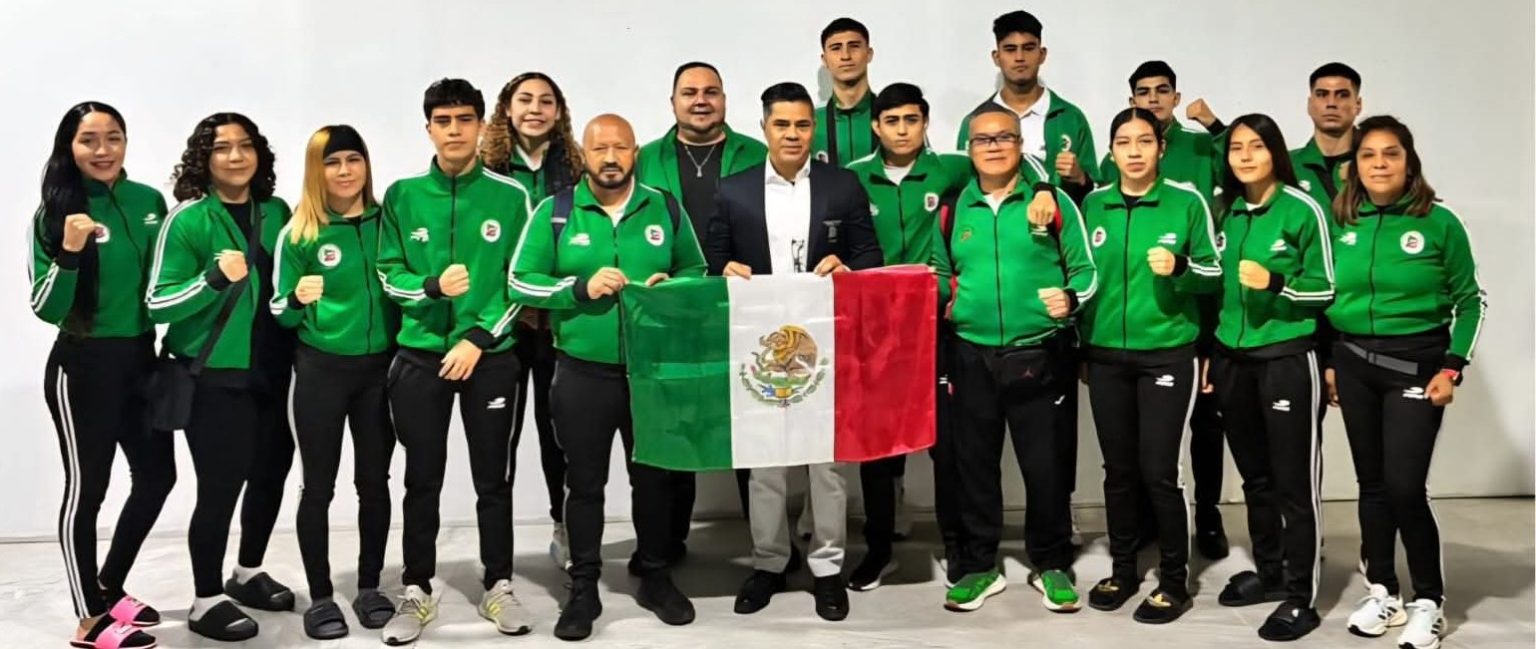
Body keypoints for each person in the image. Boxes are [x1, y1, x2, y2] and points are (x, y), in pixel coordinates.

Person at [509, 113, 707, 642]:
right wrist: (579, 287)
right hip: (582, 373)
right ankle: (583, 587)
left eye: (621, 147)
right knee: (584, 483)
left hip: (651, 372)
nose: (612, 158)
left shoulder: (664, 207)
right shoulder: (557, 212)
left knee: (654, 480)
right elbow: (519, 282)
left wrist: (672, 287)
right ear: (584, 154)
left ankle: (656, 575)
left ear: (635, 152)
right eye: (601, 149)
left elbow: (697, 271)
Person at [705, 81, 881, 622]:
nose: (792, 134)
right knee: (765, 464)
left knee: (827, 462)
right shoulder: (733, 190)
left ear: (813, 128)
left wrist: (847, 268)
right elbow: (712, 262)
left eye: (802, 124)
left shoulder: (841, 185)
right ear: (764, 128)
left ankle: (827, 568)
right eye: (781, 124)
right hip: (758, 345)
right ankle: (769, 562)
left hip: (825, 341)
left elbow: (869, 255)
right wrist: (724, 270)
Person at [376, 78, 532, 645]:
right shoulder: (401, 195)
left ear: (481, 126)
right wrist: (431, 288)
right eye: (443, 121)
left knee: (493, 477)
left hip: (488, 358)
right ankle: (416, 587)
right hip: (420, 357)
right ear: (429, 129)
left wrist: (478, 339)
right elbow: (388, 272)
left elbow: (521, 279)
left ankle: (499, 583)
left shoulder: (511, 197)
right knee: (422, 478)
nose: (454, 130)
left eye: (465, 119)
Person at [1328, 115, 1484, 649]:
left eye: (1390, 153)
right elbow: (1324, 294)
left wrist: (1452, 366)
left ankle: (1428, 602)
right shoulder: (1340, 220)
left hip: (1415, 368)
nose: (1379, 164)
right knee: (1371, 486)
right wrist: (1332, 361)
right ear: (1355, 165)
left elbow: (1471, 301)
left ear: (1409, 162)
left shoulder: (1439, 222)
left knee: (1403, 486)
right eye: (1368, 154)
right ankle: (1383, 592)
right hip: (1353, 364)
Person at [936, 105, 1096, 614]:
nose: (994, 147)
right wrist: (946, 301)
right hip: (970, 353)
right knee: (975, 466)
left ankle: (1052, 564)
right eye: (983, 140)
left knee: (1045, 466)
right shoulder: (954, 206)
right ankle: (980, 566)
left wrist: (1070, 299)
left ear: (1021, 144)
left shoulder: (1052, 202)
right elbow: (940, 271)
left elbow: (1085, 269)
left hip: (1039, 352)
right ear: (969, 149)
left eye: (1004, 137)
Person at [29, 101, 173, 649]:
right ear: (69, 147)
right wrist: (69, 252)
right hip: (83, 365)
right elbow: (45, 306)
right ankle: (90, 618)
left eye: (113, 137)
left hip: (141, 358)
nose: (103, 149)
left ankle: (109, 585)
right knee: (87, 489)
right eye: (89, 139)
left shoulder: (148, 202)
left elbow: (164, 280)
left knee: (158, 477)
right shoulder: (53, 213)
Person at [147, 112, 296, 641]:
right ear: (203, 159)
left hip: (273, 370)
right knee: (220, 486)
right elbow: (157, 303)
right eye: (222, 148)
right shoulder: (188, 220)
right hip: (213, 377)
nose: (235, 156)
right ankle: (205, 598)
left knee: (272, 472)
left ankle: (247, 572)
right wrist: (212, 278)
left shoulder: (277, 211)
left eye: (245, 145)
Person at [1077, 108, 1222, 625]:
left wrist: (1181, 268)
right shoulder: (1093, 204)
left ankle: (1174, 581)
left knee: (1160, 472)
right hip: (1106, 356)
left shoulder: (1186, 202)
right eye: (1124, 142)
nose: (1134, 151)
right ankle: (1123, 570)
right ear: (1111, 151)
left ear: (1161, 148)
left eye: (1144, 141)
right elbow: (1081, 275)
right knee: (1118, 472)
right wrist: (1082, 345)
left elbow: (1213, 273)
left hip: (1167, 353)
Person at [1204, 113, 1334, 641]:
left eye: (1256, 146)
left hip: (1287, 358)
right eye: (1237, 147)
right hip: (1232, 359)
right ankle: (1272, 571)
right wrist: (1212, 349)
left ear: (1274, 152)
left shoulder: (1302, 209)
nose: (1245, 156)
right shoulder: (1227, 210)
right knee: (1255, 478)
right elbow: (1215, 290)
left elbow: (1326, 288)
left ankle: (1303, 597)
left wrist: (1276, 282)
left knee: (1294, 483)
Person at [269, 125, 399, 640]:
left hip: (378, 373)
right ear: (315, 170)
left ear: (366, 164)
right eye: (331, 162)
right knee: (318, 487)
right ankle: (321, 597)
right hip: (320, 371)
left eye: (353, 159)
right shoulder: (299, 233)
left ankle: (369, 587)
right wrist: (296, 299)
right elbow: (279, 311)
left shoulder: (387, 223)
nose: (344, 171)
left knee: (375, 483)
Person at [1101, 60, 1231, 558]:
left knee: (1205, 427)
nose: (1152, 99)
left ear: (1176, 97)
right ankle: (1142, 529)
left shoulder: (1198, 150)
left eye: (1162, 91)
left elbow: (1244, 162)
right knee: (1137, 452)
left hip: (1194, 313)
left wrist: (1214, 125)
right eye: (1143, 92)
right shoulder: (1109, 179)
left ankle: (1209, 516)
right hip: (1128, 328)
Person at [843, 82, 969, 591]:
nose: (901, 130)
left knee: (947, 444)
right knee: (878, 446)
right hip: (874, 330)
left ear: (925, 122)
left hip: (935, 327)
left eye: (911, 120)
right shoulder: (853, 177)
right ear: (876, 126)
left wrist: (1045, 191)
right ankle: (878, 549)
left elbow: (1013, 169)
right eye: (891, 121)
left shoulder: (952, 169)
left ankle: (957, 547)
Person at [636, 60, 768, 530]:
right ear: (672, 102)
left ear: (724, 100)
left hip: (744, 306)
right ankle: (670, 539)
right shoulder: (645, 158)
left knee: (754, 423)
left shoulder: (756, 154)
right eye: (689, 92)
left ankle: (765, 541)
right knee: (676, 424)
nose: (700, 100)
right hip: (674, 309)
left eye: (710, 92)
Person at [481, 71, 581, 569]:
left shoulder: (577, 169)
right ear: (507, 109)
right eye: (525, 100)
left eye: (546, 101)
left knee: (558, 435)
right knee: (499, 440)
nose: (535, 109)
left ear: (559, 112)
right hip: (507, 327)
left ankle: (564, 528)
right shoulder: (487, 170)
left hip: (560, 325)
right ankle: (496, 551)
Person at [955, 10, 1097, 202]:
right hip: (995, 220)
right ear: (996, 57)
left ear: (1042, 54)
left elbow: (1096, 194)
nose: (1020, 57)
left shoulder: (1071, 118)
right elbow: (965, 188)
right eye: (1010, 49)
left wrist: (1080, 177)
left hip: (1056, 219)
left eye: (1028, 48)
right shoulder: (975, 122)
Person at [811, 17, 878, 166]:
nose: (846, 56)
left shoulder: (894, 116)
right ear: (824, 60)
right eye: (836, 48)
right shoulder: (810, 121)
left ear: (869, 54)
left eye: (854, 46)